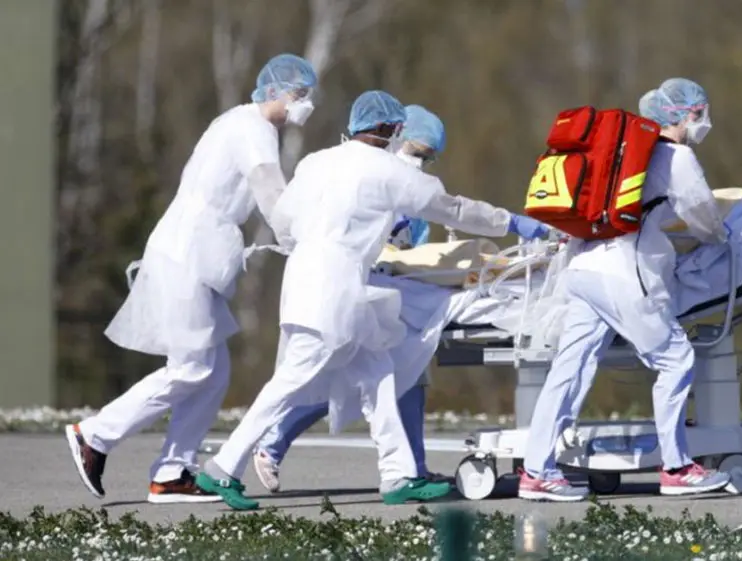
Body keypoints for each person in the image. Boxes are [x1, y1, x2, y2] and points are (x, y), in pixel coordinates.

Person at [195, 91, 550, 510]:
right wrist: (510, 222)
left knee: (379, 373)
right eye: (398, 129)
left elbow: (284, 220)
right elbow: (452, 209)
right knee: (291, 382)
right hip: (335, 287)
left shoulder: (315, 162)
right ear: (388, 129)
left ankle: (398, 474)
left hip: (312, 279)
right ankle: (223, 467)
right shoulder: (388, 172)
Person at [63, 54, 318, 504]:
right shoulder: (253, 130)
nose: (305, 105)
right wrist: (306, 239)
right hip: (188, 255)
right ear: (272, 91)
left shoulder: (242, 123)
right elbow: (271, 192)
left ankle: (172, 473)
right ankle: (95, 435)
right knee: (192, 368)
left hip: (198, 255)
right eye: (297, 95)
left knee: (214, 372)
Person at [518, 78, 732, 502]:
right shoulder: (676, 156)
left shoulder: (623, 153)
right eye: (698, 113)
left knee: (569, 370)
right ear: (682, 114)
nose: (702, 121)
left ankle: (537, 471)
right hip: (622, 273)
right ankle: (676, 468)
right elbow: (702, 214)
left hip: (583, 268)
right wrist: (722, 238)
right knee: (676, 358)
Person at [250, 104, 454, 493]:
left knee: (408, 376)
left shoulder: (412, 188)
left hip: (391, 291)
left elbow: (414, 247)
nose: (421, 163)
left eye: (428, 158)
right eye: (417, 152)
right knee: (341, 377)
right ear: (395, 137)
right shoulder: (366, 177)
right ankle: (270, 442)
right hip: (352, 289)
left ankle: (413, 468)